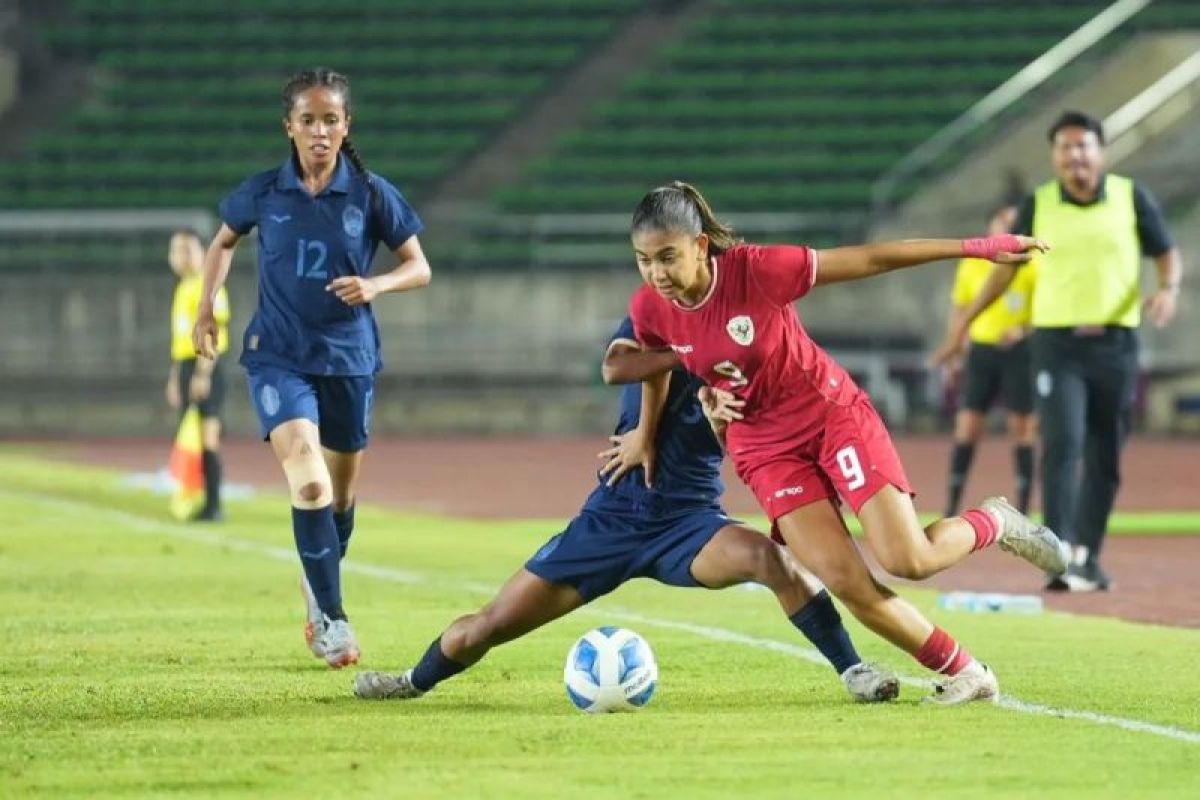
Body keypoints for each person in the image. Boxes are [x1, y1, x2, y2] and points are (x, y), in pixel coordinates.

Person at [615, 181, 1070, 705]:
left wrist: (975, 247)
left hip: (829, 415)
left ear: (700, 246)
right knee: (846, 580)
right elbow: (655, 366)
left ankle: (997, 521)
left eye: (668, 257)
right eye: (643, 260)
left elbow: (873, 258)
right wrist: (647, 432)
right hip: (764, 449)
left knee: (908, 560)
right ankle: (969, 672)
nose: (657, 274)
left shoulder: (758, 270)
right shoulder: (650, 307)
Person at [353, 319, 900, 704]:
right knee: (487, 627)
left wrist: (721, 421)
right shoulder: (653, 319)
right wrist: (644, 431)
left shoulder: (749, 354)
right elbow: (619, 367)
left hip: (689, 522)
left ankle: (853, 669)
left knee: (774, 562)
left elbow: (754, 440)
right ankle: (411, 680)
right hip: (613, 517)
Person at [192, 68, 431, 668]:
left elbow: (419, 266)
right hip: (277, 354)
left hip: (349, 359)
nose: (319, 132)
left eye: (331, 120)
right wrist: (205, 310)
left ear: (346, 125)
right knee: (310, 481)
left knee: (341, 500)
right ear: (289, 127)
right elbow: (222, 242)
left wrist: (376, 284)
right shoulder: (263, 193)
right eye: (308, 120)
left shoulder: (373, 193)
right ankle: (333, 622)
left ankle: (316, 580)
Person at [935, 111, 1183, 592]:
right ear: (1054, 157)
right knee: (1063, 442)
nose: (1074, 156)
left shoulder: (1131, 198)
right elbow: (1005, 268)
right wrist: (963, 326)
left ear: (1101, 152)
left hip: (1115, 343)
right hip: (1055, 344)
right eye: (1064, 148)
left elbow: (1165, 250)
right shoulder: (1039, 204)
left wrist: (1168, 287)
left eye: (1083, 146)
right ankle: (1060, 555)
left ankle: (1089, 554)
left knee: (1106, 450)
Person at [937, 204, 1037, 517]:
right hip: (982, 351)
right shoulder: (973, 265)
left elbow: (1047, 311)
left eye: (1014, 222)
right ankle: (952, 505)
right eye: (1002, 221)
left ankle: (1023, 510)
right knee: (967, 428)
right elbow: (959, 309)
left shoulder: (1031, 264)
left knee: (1023, 429)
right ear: (990, 227)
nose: (1008, 227)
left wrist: (1022, 330)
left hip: (1020, 354)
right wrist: (954, 351)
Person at [166, 228, 230, 521]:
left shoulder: (208, 284)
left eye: (188, 249)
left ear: (202, 252)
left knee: (208, 436)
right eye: (177, 250)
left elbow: (213, 333)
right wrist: (175, 376)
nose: (181, 256)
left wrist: (202, 374)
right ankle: (197, 497)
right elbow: (180, 339)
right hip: (186, 366)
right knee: (189, 434)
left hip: (206, 366)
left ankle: (214, 505)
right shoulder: (183, 287)